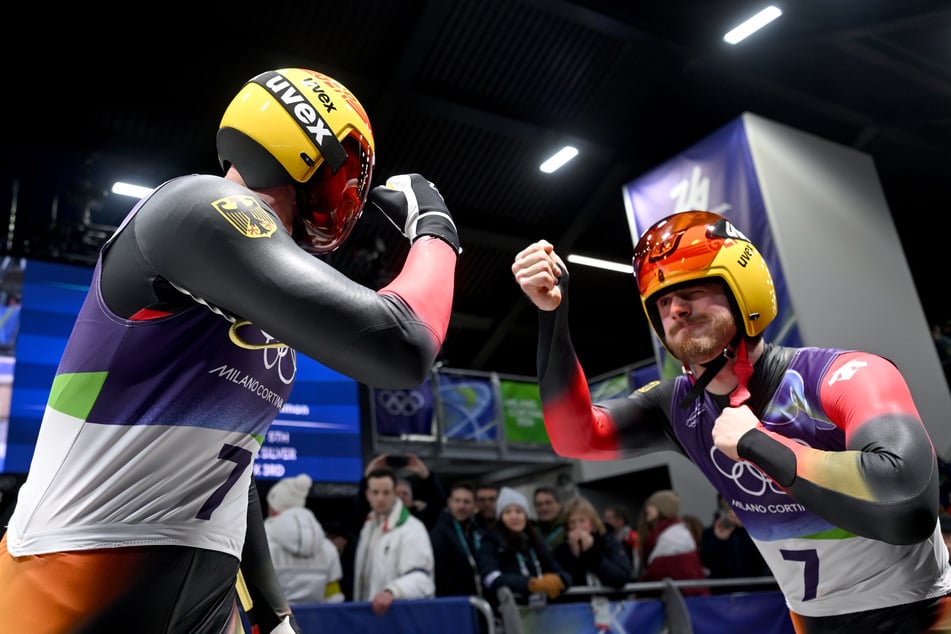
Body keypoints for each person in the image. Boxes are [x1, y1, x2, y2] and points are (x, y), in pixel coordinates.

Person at [0, 67, 460, 634]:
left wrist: (274, 617)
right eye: (349, 170)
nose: (353, 195)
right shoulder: (194, 206)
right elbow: (402, 346)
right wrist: (436, 229)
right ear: (309, 146)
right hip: (68, 587)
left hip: (197, 600)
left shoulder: (241, 271)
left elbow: (228, 468)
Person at [512, 210, 951, 632]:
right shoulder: (677, 406)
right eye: (663, 301)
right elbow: (575, 438)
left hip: (926, 615)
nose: (677, 309)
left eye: (694, 290)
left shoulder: (845, 375)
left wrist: (760, 443)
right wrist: (552, 315)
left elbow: (907, 505)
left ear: (746, 294)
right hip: (815, 624)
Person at [353, 467, 435, 615]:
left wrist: (392, 592)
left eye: (386, 492)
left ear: (394, 494)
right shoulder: (368, 527)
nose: (380, 498)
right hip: (369, 617)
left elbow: (422, 578)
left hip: (399, 617)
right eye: (375, 492)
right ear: (367, 494)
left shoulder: (412, 528)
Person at [477, 486, 572, 608]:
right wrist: (529, 584)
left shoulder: (535, 541)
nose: (514, 516)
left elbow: (560, 571)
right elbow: (490, 578)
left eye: (519, 511)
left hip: (542, 612)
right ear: (501, 517)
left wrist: (560, 580)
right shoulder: (490, 541)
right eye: (508, 512)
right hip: (509, 613)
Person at [264, 474, 345, 604]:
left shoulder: (261, 545)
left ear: (273, 509)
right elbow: (334, 598)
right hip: (318, 623)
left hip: (275, 623)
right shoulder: (328, 547)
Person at [634, 489, 708, 596]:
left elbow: (659, 571)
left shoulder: (674, 535)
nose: (647, 509)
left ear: (663, 509)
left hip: (685, 599)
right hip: (684, 597)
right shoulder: (666, 533)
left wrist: (640, 589)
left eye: (651, 505)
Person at [552, 495, 633, 591]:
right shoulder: (561, 551)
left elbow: (621, 578)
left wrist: (592, 553)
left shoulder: (608, 543)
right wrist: (574, 555)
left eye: (582, 521)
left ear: (591, 523)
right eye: (572, 522)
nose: (577, 526)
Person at [358, 452, 446, 531]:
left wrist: (426, 475)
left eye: (405, 493)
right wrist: (368, 476)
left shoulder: (419, 521)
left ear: (412, 499)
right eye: (397, 493)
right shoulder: (377, 517)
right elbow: (362, 504)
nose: (401, 497)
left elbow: (438, 502)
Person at [429, 479, 485, 597]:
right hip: (454, 600)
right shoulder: (439, 533)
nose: (461, 506)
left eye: (466, 502)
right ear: (449, 503)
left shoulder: (478, 530)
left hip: (477, 597)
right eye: (457, 501)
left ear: (475, 505)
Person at [603, 503, 641, 576]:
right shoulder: (607, 537)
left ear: (620, 521)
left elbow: (637, 563)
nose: (605, 522)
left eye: (608, 519)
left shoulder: (632, 538)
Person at [533, 485, 567, 550]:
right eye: (539, 504)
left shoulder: (571, 526)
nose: (544, 508)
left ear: (559, 504)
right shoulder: (533, 532)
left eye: (548, 503)